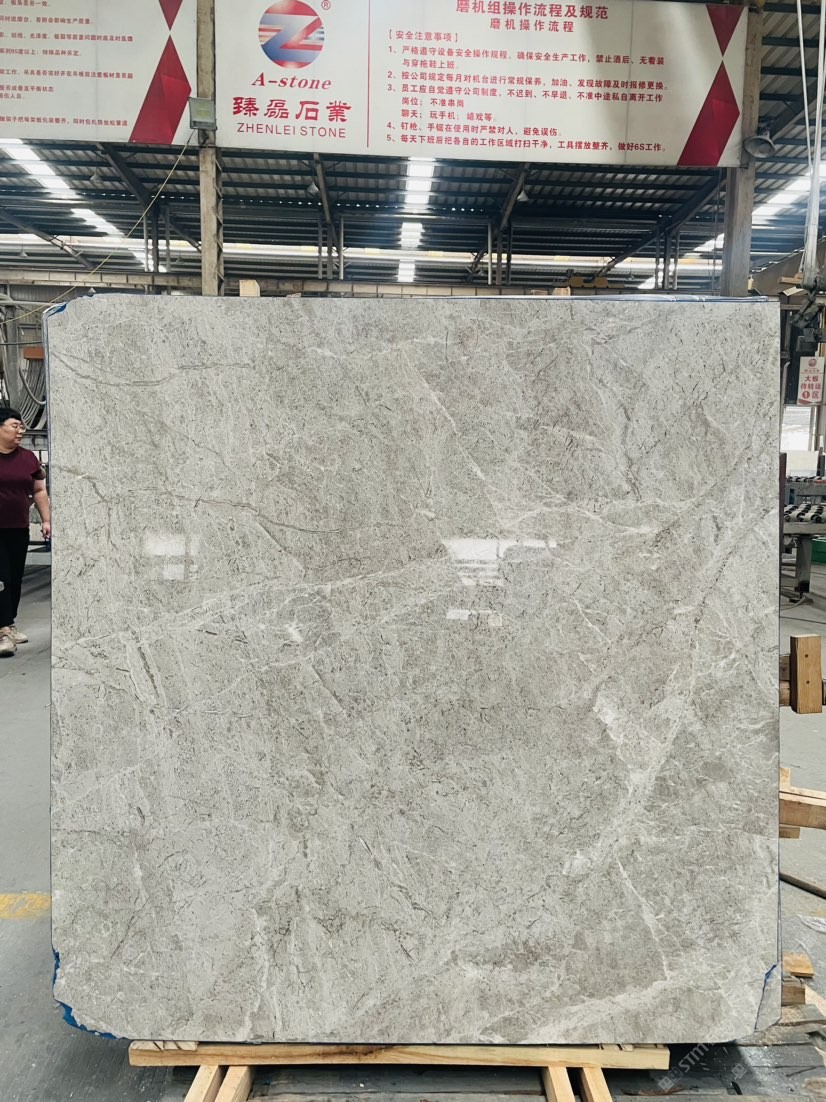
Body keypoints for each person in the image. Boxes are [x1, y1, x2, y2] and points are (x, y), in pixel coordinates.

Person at [0, 407, 50, 657]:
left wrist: (46, 520)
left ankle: (9, 622)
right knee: (2, 578)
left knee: (16, 578)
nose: (21, 431)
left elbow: (39, 491)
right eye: (15, 426)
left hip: (18, 527)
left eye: (21, 426)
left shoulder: (29, 458)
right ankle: (3, 631)